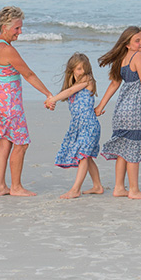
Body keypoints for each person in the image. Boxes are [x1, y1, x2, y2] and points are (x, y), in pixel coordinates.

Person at [0, 6, 53, 197]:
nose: (20, 32)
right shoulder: (6, 50)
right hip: (9, 104)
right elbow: (29, 74)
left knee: (5, 143)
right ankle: (15, 187)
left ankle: (0, 186)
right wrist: (48, 94)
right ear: (5, 27)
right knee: (21, 144)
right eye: (17, 28)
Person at [95, 26, 141, 200]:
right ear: (127, 44)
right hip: (135, 111)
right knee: (133, 151)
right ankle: (134, 189)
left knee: (123, 150)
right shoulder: (138, 56)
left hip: (121, 111)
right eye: (137, 40)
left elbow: (114, 84)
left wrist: (100, 106)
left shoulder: (122, 58)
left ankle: (119, 187)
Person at [47, 53, 103, 199]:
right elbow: (68, 91)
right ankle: (97, 186)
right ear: (71, 69)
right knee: (87, 157)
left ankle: (75, 189)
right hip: (79, 126)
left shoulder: (87, 79)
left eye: (84, 68)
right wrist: (52, 102)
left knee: (83, 156)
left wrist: (53, 99)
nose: (82, 72)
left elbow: (70, 91)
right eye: (78, 69)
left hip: (89, 125)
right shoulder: (73, 85)